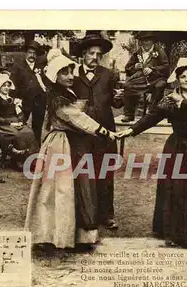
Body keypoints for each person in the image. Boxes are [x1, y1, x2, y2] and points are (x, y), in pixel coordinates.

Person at [24, 50, 117, 250]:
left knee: (76, 187)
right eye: (64, 73)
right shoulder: (56, 98)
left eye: (70, 71)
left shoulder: (66, 93)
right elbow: (75, 117)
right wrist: (105, 131)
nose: (70, 76)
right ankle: (52, 233)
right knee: (59, 189)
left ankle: (76, 234)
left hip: (73, 142)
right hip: (61, 144)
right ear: (54, 76)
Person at [116, 57, 187, 248]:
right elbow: (153, 116)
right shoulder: (170, 99)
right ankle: (173, 232)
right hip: (176, 147)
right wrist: (132, 130)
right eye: (182, 76)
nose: (186, 79)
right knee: (174, 187)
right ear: (177, 79)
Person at [72, 31, 124, 230]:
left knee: (105, 173)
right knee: (84, 173)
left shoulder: (108, 75)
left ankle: (107, 215)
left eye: (98, 54)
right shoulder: (74, 75)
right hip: (82, 133)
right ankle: (86, 214)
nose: (95, 58)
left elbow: (115, 102)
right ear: (83, 54)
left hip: (105, 132)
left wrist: (119, 97)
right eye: (91, 53)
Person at [0, 72, 38, 171]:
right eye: (4, 86)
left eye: (8, 86)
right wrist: (10, 123)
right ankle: (17, 160)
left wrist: (20, 120)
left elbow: (19, 113)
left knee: (29, 132)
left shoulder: (11, 98)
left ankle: (31, 160)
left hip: (15, 122)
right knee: (17, 135)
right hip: (2, 124)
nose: (7, 88)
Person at [121, 31, 169, 122]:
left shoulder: (159, 51)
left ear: (152, 41)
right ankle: (129, 114)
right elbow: (127, 68)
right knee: (128, 85)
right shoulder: (137, 53)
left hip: (157, 78)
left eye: (148, 40)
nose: (145, 43)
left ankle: (152, 113)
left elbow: (166, 67)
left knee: (160, 86)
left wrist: (153, 69)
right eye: (143, 41)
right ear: (140, 42)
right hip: (142, 80)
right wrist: (135, 67)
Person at [11, 40, 48, 144]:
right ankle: (18, 148)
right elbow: (13, 84)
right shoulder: (18, 66)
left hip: (39, 101)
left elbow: (52, 55)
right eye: (30, 52)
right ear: (26, 53)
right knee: (20, 124)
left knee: (38, 126)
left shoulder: (40, 65)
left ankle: (36, 148)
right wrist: (16, 99)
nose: (32, 55)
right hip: (24, 101)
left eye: (34, 53)